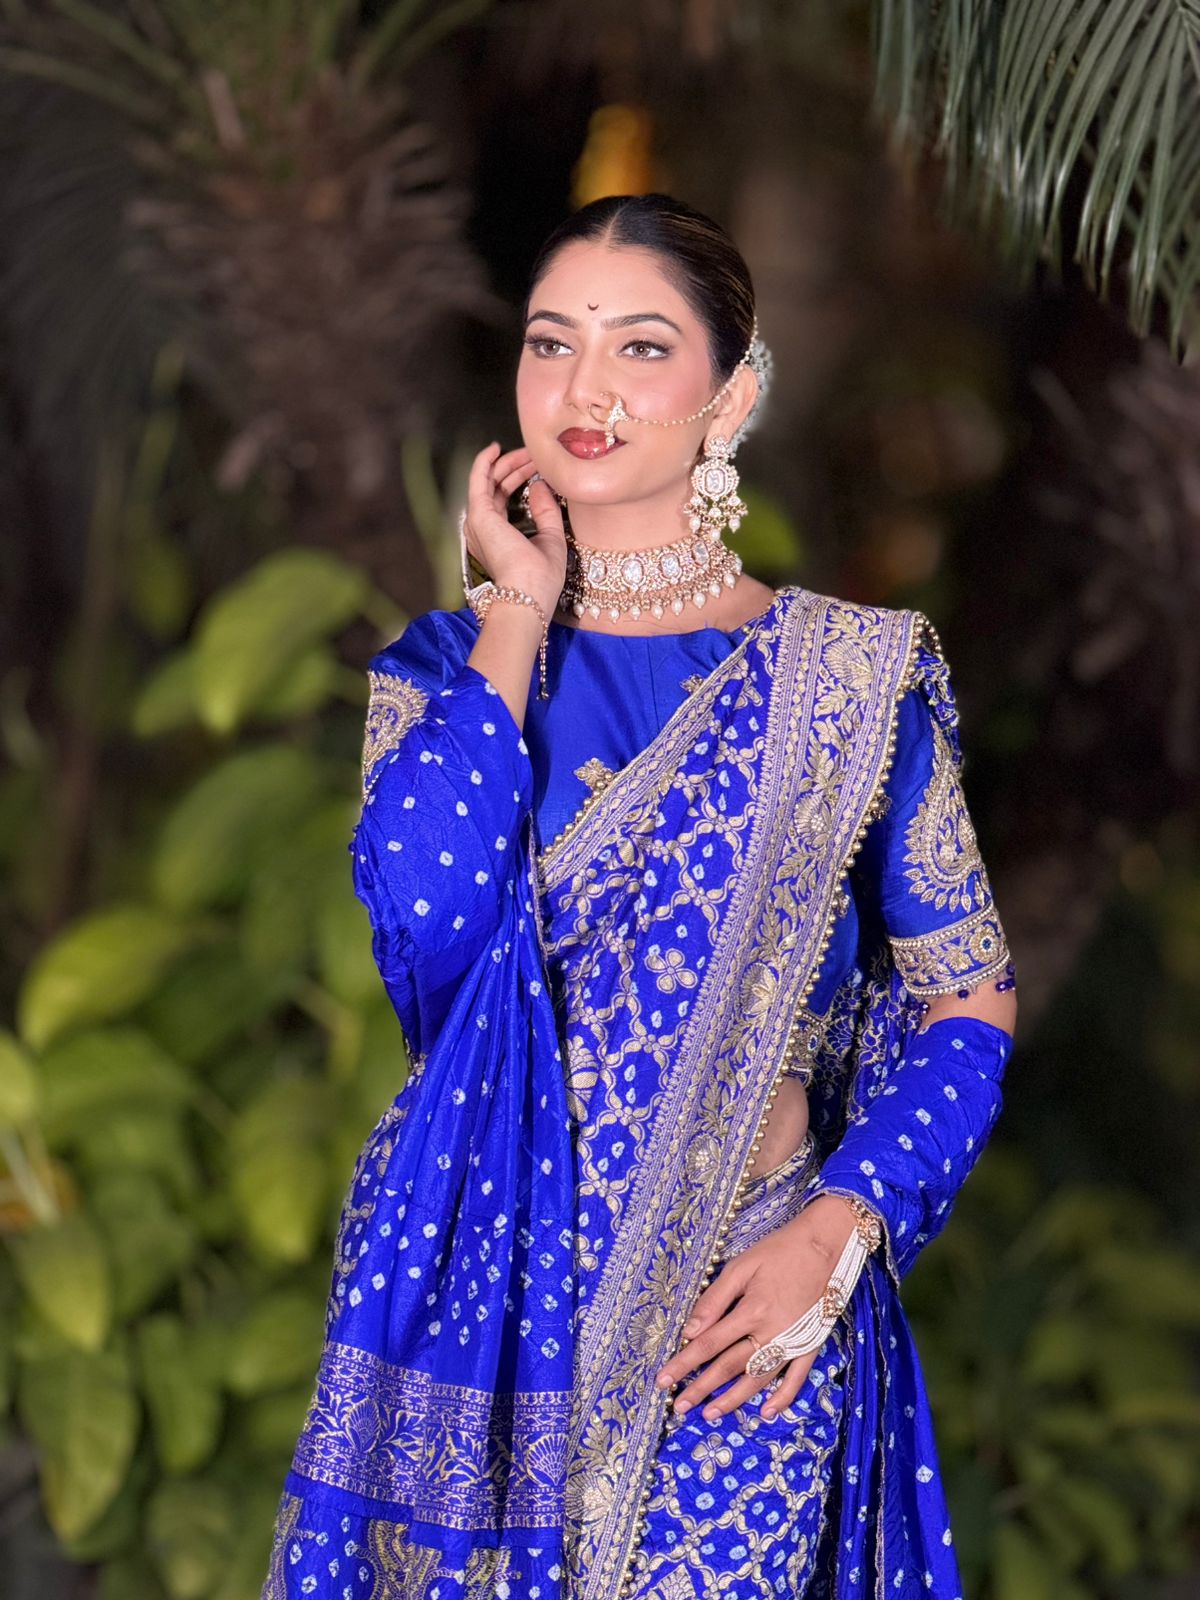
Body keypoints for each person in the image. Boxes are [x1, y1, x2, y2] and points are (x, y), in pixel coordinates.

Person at [262, 192, 1018, 1600]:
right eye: (552, 343)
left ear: (732, 399)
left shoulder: (848, 682)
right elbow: (422, 927)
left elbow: (968, 1000)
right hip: (489, 1315)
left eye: (641, 347)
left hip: (743, 1316)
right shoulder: (447, 672)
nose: (584, 389)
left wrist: (838, 1226)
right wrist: (516, 605)